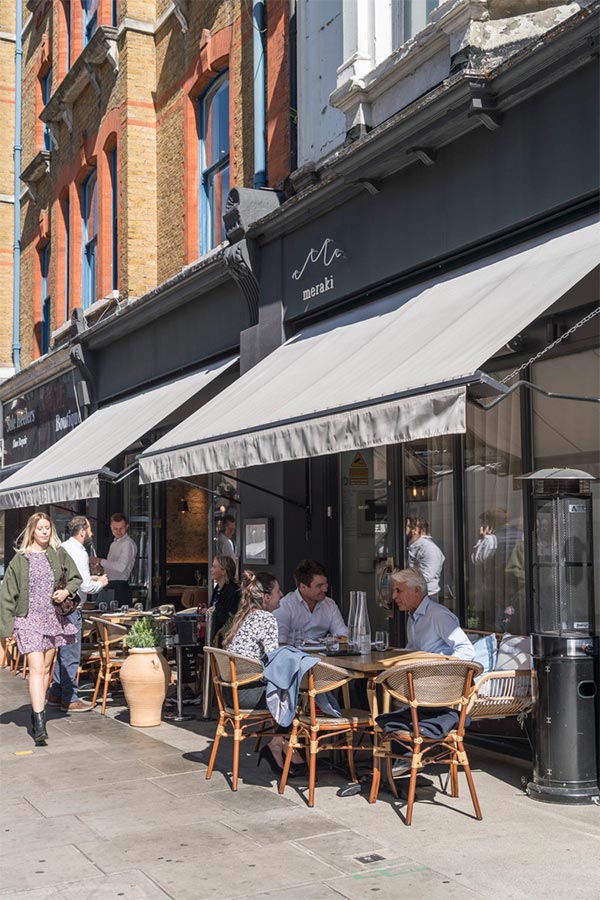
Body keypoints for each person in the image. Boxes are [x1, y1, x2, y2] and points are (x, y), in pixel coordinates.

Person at [0, 512, 82, 745]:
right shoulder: (21, 559)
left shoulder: (58, 554)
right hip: (28, 620)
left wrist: (66, 591)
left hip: (53, 619)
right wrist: (5, 629)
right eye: (40, 528)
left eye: (47, 528)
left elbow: (76, 578)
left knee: (46, 668)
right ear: (32, 531)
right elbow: (7, 595)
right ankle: (39, 725)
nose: (44, 531)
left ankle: (39, 708)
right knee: (36, 669)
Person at [223, 571, 304, 772]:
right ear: (267, 597)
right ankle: (279, 745)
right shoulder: (266, 619)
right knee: (298, 695)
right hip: (247, 694)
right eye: (278, 591)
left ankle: (281, 744)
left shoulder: (245, 616)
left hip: (231, 692)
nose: (282, 594)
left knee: (290, 689)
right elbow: (273, 662)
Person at [47, 516, 109, 712]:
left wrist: (90, 577)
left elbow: (72, 577)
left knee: (63, 653)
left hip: (60, 607)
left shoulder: (63, 547)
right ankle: (70, 698)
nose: (90, 533)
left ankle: (56, 694)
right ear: (82, 531)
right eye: (89, 530)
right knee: (71, 654)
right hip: (72, 608)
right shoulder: (80, 552)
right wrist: (101, 583)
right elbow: (85, 586)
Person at [391, 567, 474, 660]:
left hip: (437, 672)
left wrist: (444, 671)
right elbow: (413, 650)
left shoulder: (438, 615)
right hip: (418, 671)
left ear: (416, 590)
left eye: (399, 591)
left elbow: (466, 650)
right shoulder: (412, 617)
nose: (394, 596)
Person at [273, 559, 348, 645]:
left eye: (325, 584)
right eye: (319, 586)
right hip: (293, 656)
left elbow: (343, 635)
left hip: (324, 656)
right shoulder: (284, 606)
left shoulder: (329, 604)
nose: (325, 589)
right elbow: (278, 644)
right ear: (303, 587)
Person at [90, 513, 136, 606]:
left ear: (126, 527)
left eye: (121, 528)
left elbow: (121, 567)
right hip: (108, 586)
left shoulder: (127, 543)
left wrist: (100, 560)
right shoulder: (113, 544)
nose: (118, 531)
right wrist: (102, 570)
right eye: (115, 528)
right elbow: (113, 567)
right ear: (111, 527)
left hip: (119, 587)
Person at [406, 518, 445, 601]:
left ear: (415, 530)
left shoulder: (429, 549)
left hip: (427, 596)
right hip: (414, 593)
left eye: (406, 527)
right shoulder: (413, 547)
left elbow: (426, 576)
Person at [210, 554, 241, 637]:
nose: (211, 570)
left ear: (223, 571)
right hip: (212, 627)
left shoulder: (231, 590)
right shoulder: (217, 588)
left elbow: (225, 617)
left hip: (223, 633)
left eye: (214, 567)